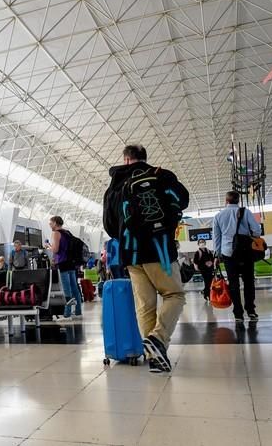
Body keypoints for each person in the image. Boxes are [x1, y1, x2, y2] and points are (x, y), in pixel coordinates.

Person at [103, 145, 189, 373]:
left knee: (146, 306)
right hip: (159, 249)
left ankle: (156, 359)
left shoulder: (115, 184)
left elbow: (110, 226)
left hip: (131, 254)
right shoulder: (161, 174)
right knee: (175, 295)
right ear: (143, 158)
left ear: (126, 159)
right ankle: (158, 340)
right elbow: (184, 200)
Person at [213, 190, 261, 323]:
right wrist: (251, 236)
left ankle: (238, 314)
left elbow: (216, 238)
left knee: (233, 284)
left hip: (228, 253)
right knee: (249, 282)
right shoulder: (246, 212)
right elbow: (257, 230)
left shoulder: (218, 216)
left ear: (226, 201)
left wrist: (217, 255)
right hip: (246, 252)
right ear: (238, 201)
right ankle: (251, 311)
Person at [46, 216, 83, 321]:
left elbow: (56, 250)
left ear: (55, 223)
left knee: (66, 288)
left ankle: (67, 313)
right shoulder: (67, 232)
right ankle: (78, 310)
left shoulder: (56, 233)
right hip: (71, 263)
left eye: (51, 222)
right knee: (74, 287)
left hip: (62, 263)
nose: (49, 224)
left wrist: (49, 246)